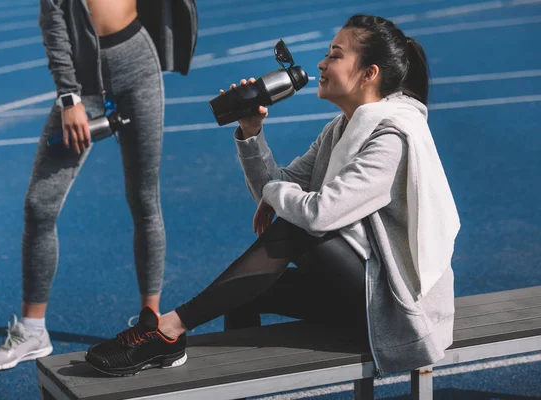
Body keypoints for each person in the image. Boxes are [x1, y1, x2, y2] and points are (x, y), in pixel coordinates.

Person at [85, 14, 460, 378]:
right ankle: (227, 380)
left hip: (395, 310)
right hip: (357, 290)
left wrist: (275, 193)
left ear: (369, 73)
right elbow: (279, 183)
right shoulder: (339, 129)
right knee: (248, 290)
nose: (322, 63)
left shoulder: (391, 140)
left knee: (296, 227)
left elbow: (317, 214)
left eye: (335, 54)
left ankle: (167, 330)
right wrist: (251, 131)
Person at [0, 0, 198, 371]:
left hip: (138, 61)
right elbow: (55, 25)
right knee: (40, 204)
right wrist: (69, 96)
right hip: (83, 80)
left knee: (144, 199)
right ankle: (33, 331)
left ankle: (152, 329)